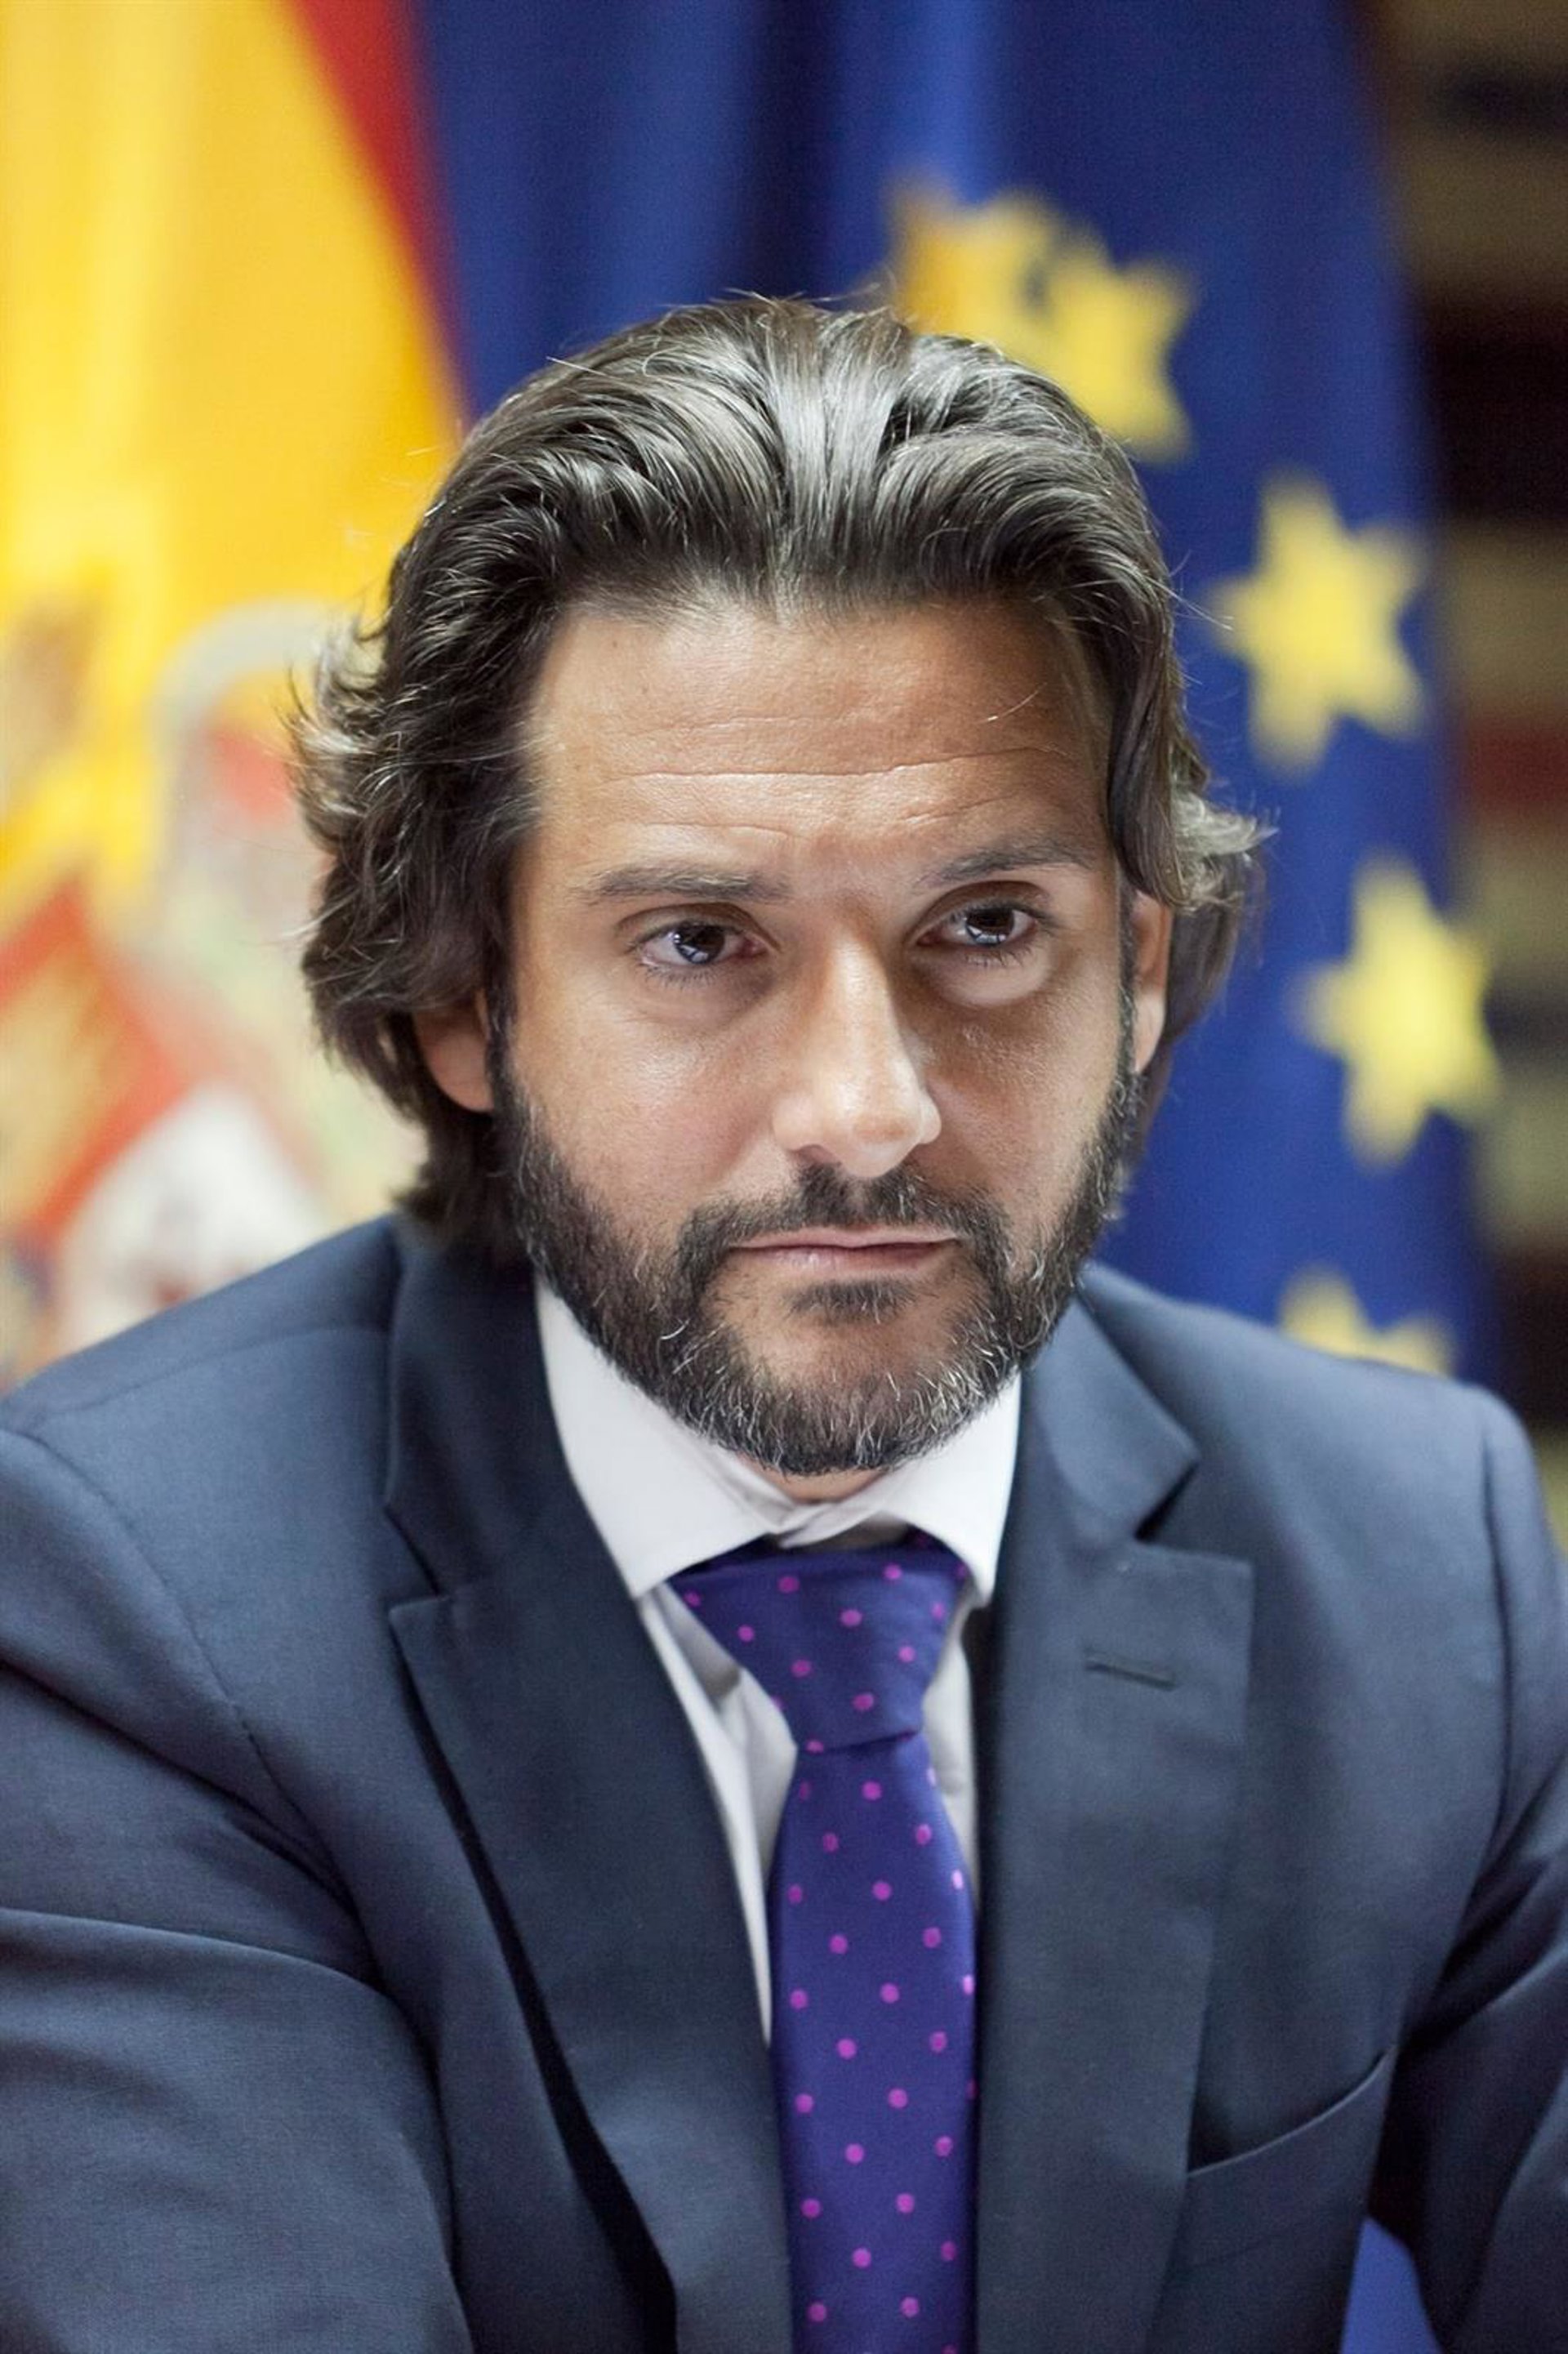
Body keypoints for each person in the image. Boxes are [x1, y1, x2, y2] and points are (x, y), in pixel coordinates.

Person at [2, 298, 1563, 2354]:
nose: (864, 1106)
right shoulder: (123, 1602)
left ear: (1141, 972)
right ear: (465, 996)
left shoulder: (1420, 1563)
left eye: (986, 929)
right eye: (699, 942)